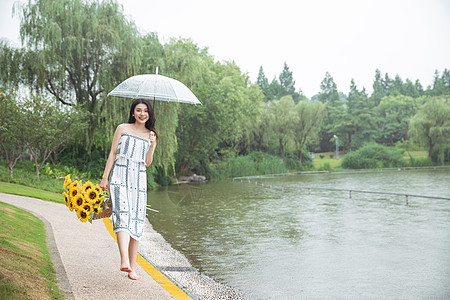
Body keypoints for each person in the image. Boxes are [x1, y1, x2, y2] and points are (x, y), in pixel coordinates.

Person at [100, 98, 157, 280]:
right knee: (122, 214)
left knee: (137, 221)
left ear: (149, 114)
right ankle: (124, 259)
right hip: (119, 176)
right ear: (133, 112)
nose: (142, 114)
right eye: (138, 110)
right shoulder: (122, 128)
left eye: (145, 110)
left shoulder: (151, 134)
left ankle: (132, 267)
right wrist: (105, 177)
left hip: (139, 180)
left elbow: (147, 163)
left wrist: (153, 145)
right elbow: (113, 153)